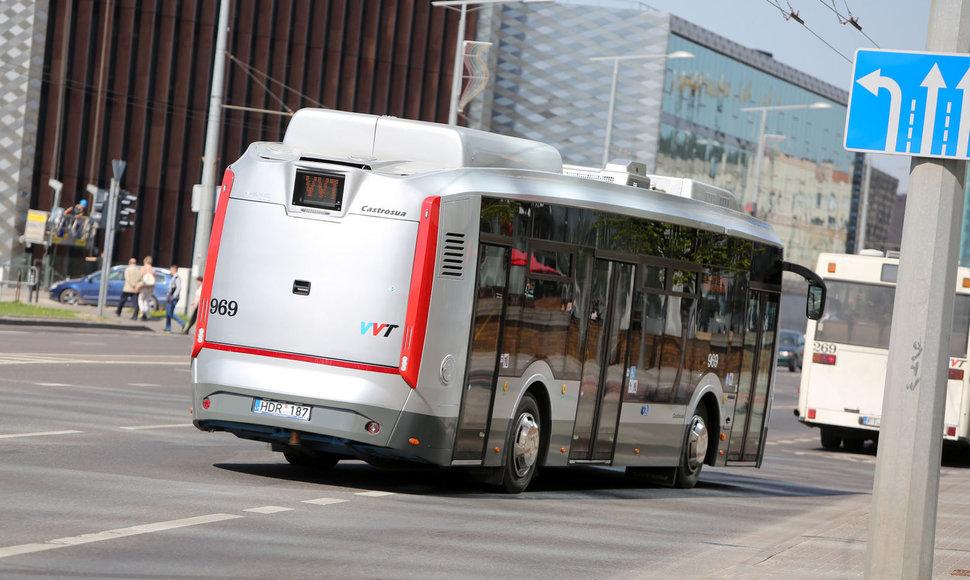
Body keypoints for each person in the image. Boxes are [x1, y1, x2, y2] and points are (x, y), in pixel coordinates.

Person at [163, 264, 186, 333]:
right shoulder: (173, 277)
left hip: (173, 298)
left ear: (174, 269)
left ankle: (182, 323)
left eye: (171, 269)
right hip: (170, 297)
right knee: (168, 313)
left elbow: (178, 288)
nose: (170, 271)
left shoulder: (177, 278)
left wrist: (172, 297)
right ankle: (168, 328)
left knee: (170, 313)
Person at [136, 256, 155, 321]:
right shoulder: (152, 269)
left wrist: (138, 285)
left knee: (141, 299)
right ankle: (146, 313)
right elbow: (154, 279)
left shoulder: (143, 268)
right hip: (151, 287)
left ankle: (142, 311)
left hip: (144, 286)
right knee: (147, 299)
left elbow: (140, 277)